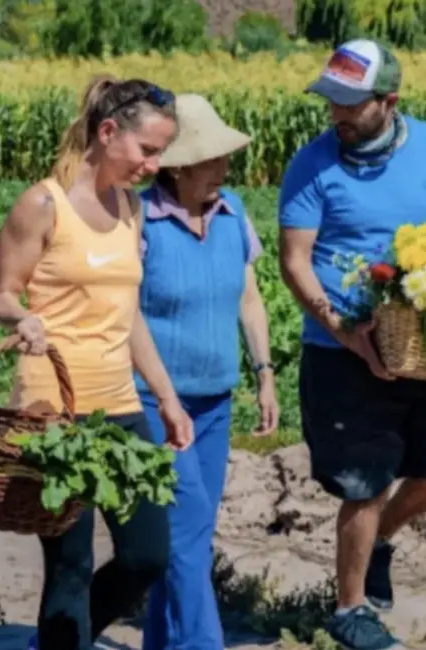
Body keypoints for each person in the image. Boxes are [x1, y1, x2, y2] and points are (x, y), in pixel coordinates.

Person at [277, 39, 426, 650]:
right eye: (331, 101)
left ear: (389, 101)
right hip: (341, 350)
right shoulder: (311, 165)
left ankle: (379, 541)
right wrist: (343, 328)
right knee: (363, 484)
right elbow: (294, 262)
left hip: (419, 339)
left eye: (350, 103)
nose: (336, 113)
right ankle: (350, 609)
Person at [0, 74, 195, 650]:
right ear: (107, 133)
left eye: (160, 152)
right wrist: (21, 318)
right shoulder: (42, 203)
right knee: (71, 565)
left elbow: (129, 317)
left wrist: (167, 398)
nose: (154, 165)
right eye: (147, 150)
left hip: (119, 403)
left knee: (147, 554)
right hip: (52, 407)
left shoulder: (130, 206)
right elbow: (2, 293)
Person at [136, 93, 280, 650]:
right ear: (177, 167)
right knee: (187, 526)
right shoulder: (140, 220)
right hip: (155, 402)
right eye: (211, 159)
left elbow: (248, 297)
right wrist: (162, 396)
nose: (224, 168)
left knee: (189, 534)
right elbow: (123, 314)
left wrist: (264, 372)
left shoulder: (233, 213)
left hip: (215, 402)